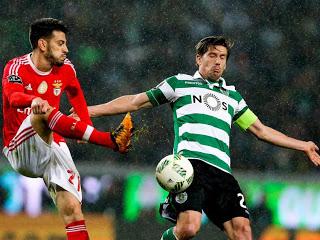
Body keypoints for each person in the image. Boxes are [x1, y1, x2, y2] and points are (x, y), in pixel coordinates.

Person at [74, 36, 320, 240]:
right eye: (212, 55)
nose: (217, 62)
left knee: (243, 232)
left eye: (222, 57)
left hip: (222, 173)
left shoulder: (233, 97)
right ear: (198, 58)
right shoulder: (179, 84)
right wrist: (88, 111)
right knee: (189, 228)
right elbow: (135, 102)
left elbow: (262, 131)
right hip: (190, 168)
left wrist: (304, 145)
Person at [1, 18, 133, 240]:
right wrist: (32, 100)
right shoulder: (16, 66)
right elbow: (12, 97)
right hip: (20, 147)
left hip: (53, 141)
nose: (66, 49)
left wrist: (85, 124)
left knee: (72, 209)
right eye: (60, 43)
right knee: (43, 111)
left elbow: (76, 94)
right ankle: (109, 141)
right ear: (43, 45)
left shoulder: (66, 68)